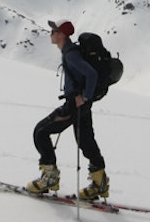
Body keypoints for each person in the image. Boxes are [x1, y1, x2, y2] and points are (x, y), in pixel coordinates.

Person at [27, 19, 109, 200]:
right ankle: (99, 184)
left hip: (74, 106)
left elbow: (91, 74)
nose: (51, 34)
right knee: (86, 142)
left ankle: (49, 179)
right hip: (83, 105)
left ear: (61, 35)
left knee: (40, 132)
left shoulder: (71, 54)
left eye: (53, 31)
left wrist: (84, 96)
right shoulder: (71, 51)